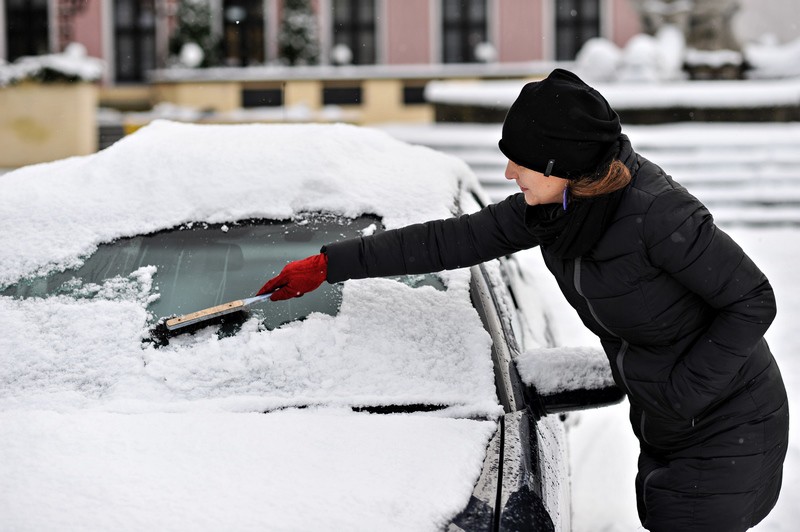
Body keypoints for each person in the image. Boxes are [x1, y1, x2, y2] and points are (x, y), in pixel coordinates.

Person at [255, 69, 789, 531]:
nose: (509, 174)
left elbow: (752, 300)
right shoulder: (559, 207)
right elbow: (451, 240)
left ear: (562, 164)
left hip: (729, 421)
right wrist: (333, 264)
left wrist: (681, 394)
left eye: (521, 162)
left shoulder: (657, 214)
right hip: (669, 420)